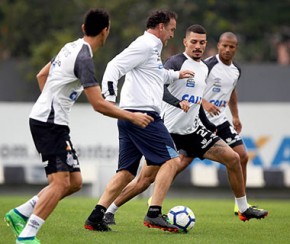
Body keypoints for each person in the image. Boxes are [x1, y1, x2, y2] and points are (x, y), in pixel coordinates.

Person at [4, 9, 153, 244]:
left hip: (51, 121)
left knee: (74, 183)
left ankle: (20, 213)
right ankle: (27, 235)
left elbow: (42, 75)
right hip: (49, 123)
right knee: (60, 182)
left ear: (84, 28)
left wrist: (54, 102)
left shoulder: (69, 47)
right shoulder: (84, 59)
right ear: (106, 31)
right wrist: (132, 117)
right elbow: (98, 105)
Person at [102, 24, 268, 227]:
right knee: (145, 180)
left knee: (234, 158)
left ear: (206, 44)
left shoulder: (204, 68)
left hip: (193, 131)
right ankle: (110, 211)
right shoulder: (175, 62)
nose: (198, 46)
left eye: (202, 43)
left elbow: (197, 102)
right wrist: (177, 102)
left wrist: (208, 124)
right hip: (168, 131)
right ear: (185, 42)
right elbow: (159, 88)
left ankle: (243, 208)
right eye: (194, 42)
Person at [83, 10, 194, 233]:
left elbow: (156, 75)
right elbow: (114, 66)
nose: (172, 35)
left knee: (126, 172)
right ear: (161, 27)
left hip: (131, 117)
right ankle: (154, 213)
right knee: (172, 161)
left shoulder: (152, 49)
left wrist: (176, 75)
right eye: (171, 29)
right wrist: (110, 99)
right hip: (142, 116)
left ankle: (95, 217)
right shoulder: (145, 44)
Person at [202, 32, 251, 214]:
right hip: (201, 120)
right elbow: (191, 88)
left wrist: (235, 116)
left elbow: (231, 92)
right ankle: (156, 197)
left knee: (242, 156)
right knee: (182, 160)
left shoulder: (236, 70)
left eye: (231, 46)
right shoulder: (207, 65)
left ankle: (241, 205)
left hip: (220, 120)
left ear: (236, 48)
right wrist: (205, 103)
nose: (227, 49)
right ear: (218, 45)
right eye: (224, 46)